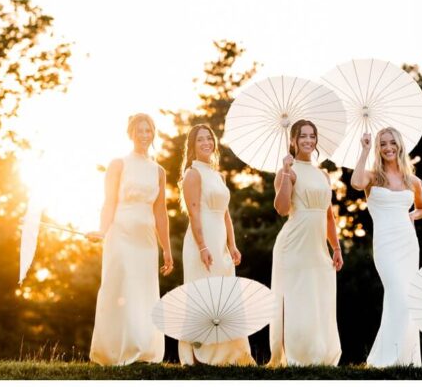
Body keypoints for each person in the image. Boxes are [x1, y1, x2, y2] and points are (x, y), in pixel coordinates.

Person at [88, 113, 174, 365]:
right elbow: (109, 202)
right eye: (139, 130)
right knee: (120, 285)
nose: (144, 135)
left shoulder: (159, 171)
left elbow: (161, 212)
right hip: (121, 233)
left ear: (153, 133)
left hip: (145, 238)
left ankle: (142, 347)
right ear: (130, 133)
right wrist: (102, 230)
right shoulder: (118, 164)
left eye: (148, 130)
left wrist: (166, 249)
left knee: (143, 289)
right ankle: (115, 350)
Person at [178, 123, 255, 366]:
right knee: (203, 294)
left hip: (220, 242)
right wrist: (202, 246)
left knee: (224, 296)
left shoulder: (218, 176)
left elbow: (226, 214)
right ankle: (201, 354)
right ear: (192, 146)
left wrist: (232, 245)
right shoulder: (193, 174)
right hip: (201, 241)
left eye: (209, 139)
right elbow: (193, 213)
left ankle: (228, 353)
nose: (206, 143)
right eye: (200, 140)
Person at [267, 119, 343, 366]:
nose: (308, 140)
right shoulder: (286, 171)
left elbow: (329, 215)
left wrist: (337, 247)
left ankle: (319, 352)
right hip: (294, 245)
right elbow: (281, 208)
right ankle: (298, 355)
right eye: (303, 136)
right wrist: (287, 173)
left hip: (318, 247)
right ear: (293, 140)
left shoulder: (323, 174)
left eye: (312, 136)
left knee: (319, 298)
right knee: (298, 299)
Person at [351, 127, 422, 367]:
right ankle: (386, 357)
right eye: (382, 144)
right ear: (378, 148)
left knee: (407, 297)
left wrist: (412, 217)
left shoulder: (412, 181)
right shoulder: (372, 177)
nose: (387, 147)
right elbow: (355, 183)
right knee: (397, 293)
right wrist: (363, 151)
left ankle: (405, 357)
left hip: (407, 243)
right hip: (385, 244)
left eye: (391, 142)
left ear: (400, 145)